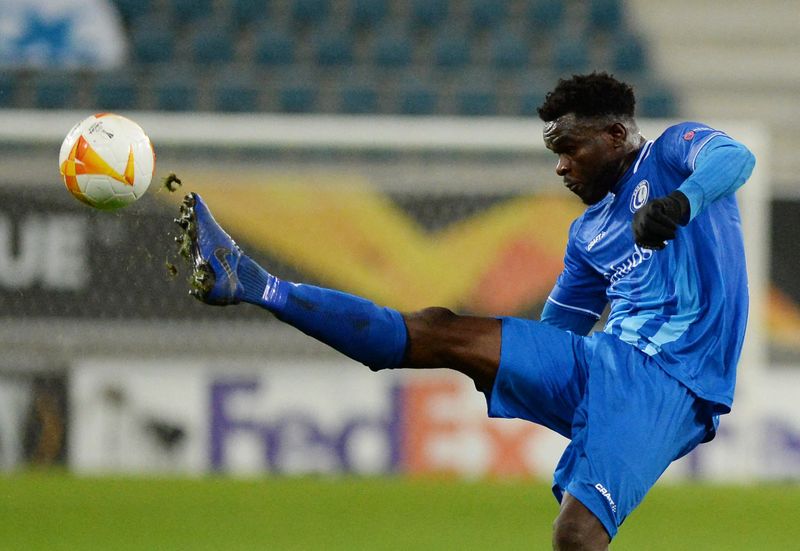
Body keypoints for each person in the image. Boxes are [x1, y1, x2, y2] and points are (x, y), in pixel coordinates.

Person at [174, 72, 755, 550]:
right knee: (440, 330)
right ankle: (254, 283)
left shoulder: (675, 152)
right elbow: (557, 331)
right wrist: (501, 360)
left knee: (576, 538)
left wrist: (682, 201)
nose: (560, 167)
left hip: (671, 380)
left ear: (615, 133)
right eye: (554, 153)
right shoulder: (587, 234)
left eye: (569, 149)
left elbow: (737, 156)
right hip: (600, 364)